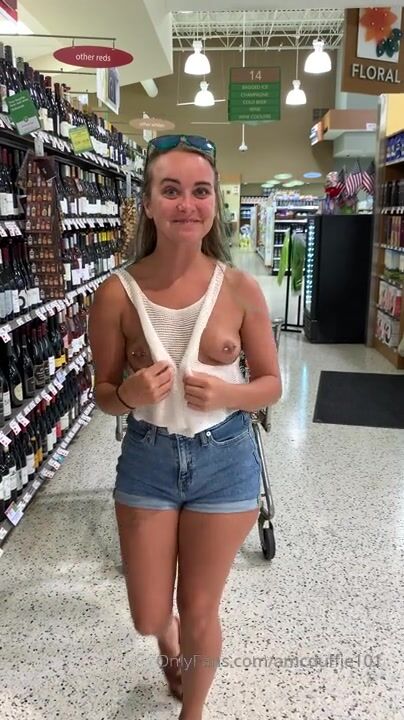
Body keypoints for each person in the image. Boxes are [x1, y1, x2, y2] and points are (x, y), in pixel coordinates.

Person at [88, 134, 282, 720]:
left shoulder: (240, 288)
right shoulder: (115, 294)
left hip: (225, 461)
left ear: (214, 204)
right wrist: (128, 394)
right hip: (148, 459)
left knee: (201, 607)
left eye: (201, 192)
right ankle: (167, 641)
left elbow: (271, 383)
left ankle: (191, 712)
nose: (187, 205)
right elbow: (103, 394)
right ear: (148, 203)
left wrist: (229, 392)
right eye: (171, 191)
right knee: (149, 613)